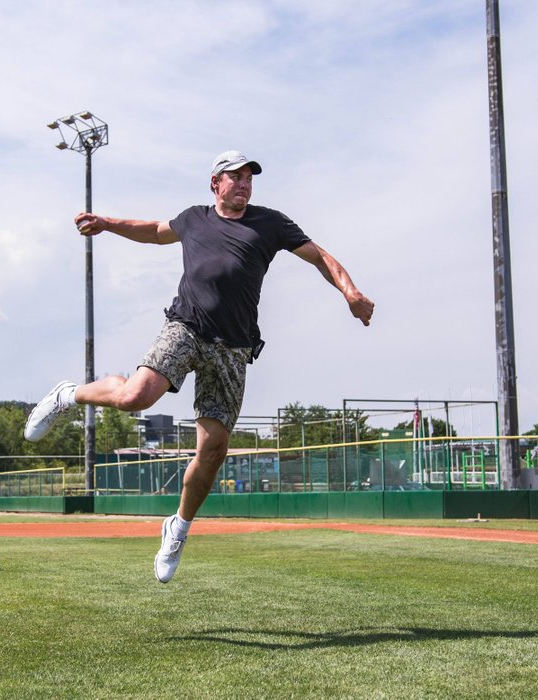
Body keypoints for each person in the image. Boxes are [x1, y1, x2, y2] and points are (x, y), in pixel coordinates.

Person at [25, 150, 374, 583]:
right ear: (216, 183)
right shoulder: (194, 218)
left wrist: (350, 292)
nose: (244, 184)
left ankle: (179, 527)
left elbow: (319, 256)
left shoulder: (271, 224)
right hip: (186, 326)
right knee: (136, 396)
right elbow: (154, 231)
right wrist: (108, 224)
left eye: (249, 178)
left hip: (233, 348)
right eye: (235, 177)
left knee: (213, 449)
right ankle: (67, 395)